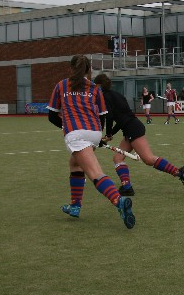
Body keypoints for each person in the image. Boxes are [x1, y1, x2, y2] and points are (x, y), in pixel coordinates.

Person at [47, 55, 134, 228]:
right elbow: (102, 116)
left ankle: (118, 200)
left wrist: (66, 126)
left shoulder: (61, 85)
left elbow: (52, 116)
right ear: (88, 71)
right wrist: (97, 137)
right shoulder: (94, 88)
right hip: (94, 131)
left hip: (76, 134)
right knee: (75, 164)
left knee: (95, 173)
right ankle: (75, 206)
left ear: (71, 68)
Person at [93, 74, 184, 194]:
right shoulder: (117, 95)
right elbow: (121, 121)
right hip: (130, 128)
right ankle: (127, 188)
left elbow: (109, 117)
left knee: (148, 159)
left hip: (132, 128)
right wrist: (110, 134)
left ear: (99, 85)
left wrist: (109, 134)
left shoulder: (104, 97)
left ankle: (180, 173)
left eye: (95, 86)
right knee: (118, 158)